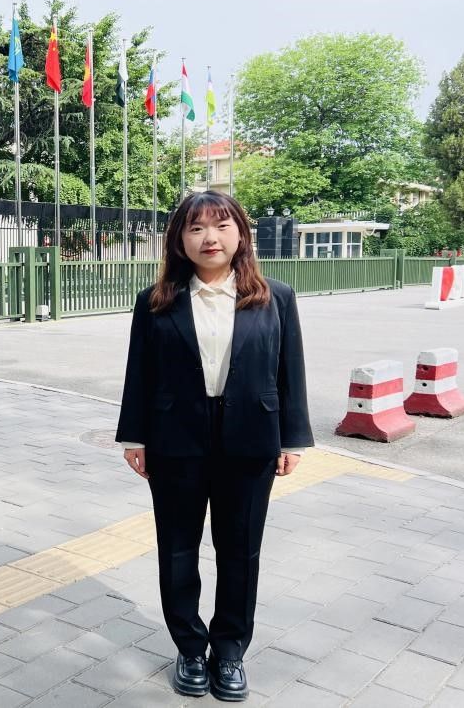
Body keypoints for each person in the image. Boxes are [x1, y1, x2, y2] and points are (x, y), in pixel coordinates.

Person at [116, 191, 313, 701]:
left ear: (241, 234)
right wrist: (135, 435)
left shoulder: (275, 297)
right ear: (179, 239)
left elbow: (289, 372)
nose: (210, 238)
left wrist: (292, 438)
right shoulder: (156, 300)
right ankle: (189, 648)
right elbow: (140, 373)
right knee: (178, 548)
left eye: (222, 226)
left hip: (251, 438)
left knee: (241, 550)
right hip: (175, 438)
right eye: (196, 228)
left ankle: (229, 652)